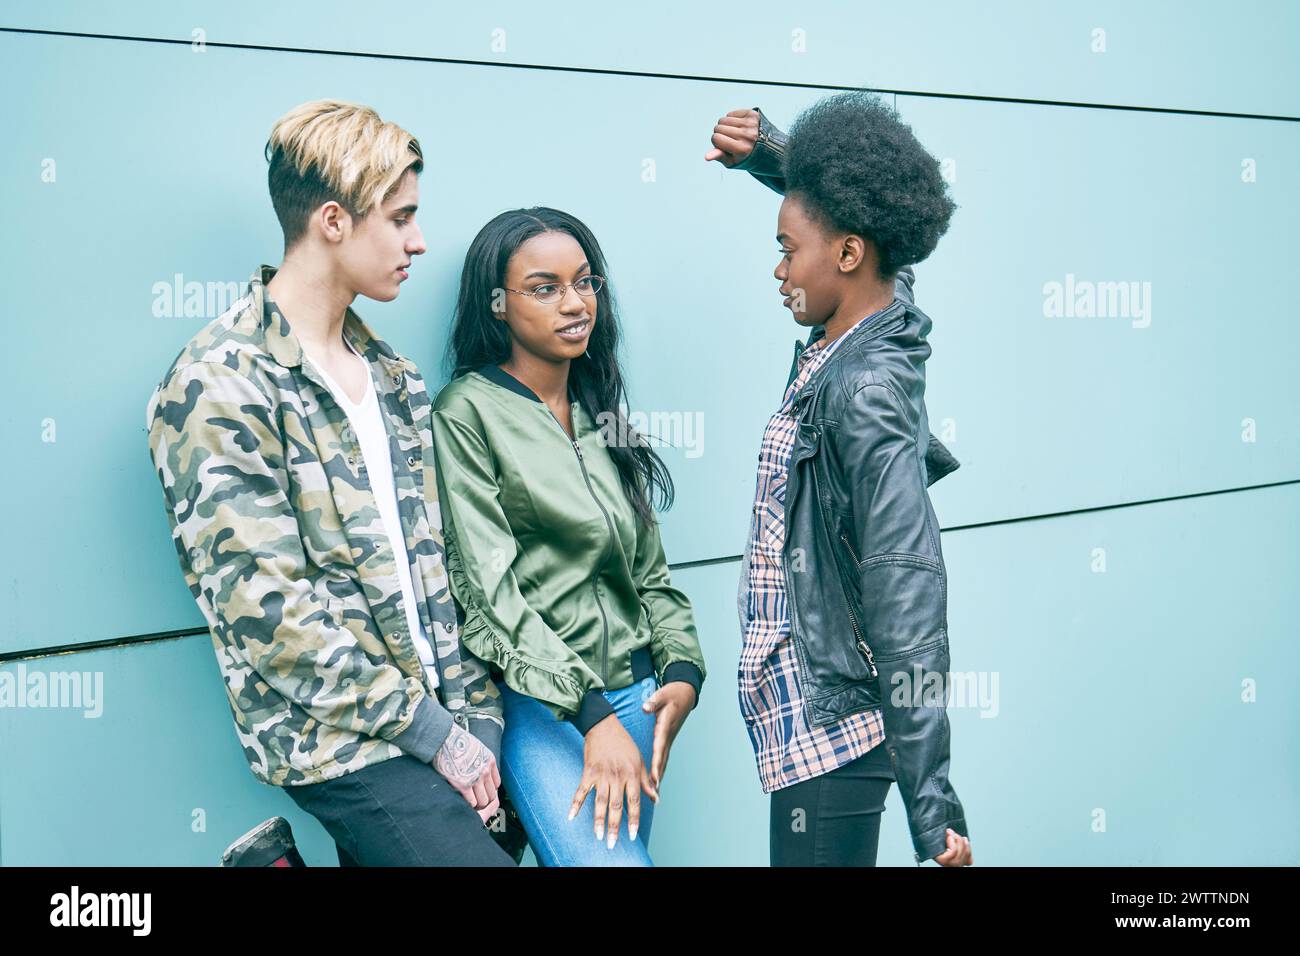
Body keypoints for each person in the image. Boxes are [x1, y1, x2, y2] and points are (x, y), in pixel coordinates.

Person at [145, 98, 515, 866]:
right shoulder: (218, 384)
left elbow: (445, 569)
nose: (419, 241)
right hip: (339, 743)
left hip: (447, 718)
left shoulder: (395, 379)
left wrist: (477, 719)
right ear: (334, 220)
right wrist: (436, 737)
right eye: (401, 217)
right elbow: (267, 611)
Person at [705, 93, 974, 866]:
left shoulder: (864, 391)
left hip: (832, 731)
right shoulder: (875, 320)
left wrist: (933, 804)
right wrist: (772, 154)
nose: (779, 269)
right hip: (809, 716)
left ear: (849, 255)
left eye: (789, 248)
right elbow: (869, 217)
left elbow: (906, 588)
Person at [430, 207, 708, 866]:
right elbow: (488, 592)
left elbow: (650, 576)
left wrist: (684, 670)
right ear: (496, 304)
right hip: (551, 713)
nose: (575, 302)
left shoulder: (596, 410)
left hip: (643, 706)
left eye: (586, 282)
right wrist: (591, 715)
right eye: (545, 287)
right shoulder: (466, 412)